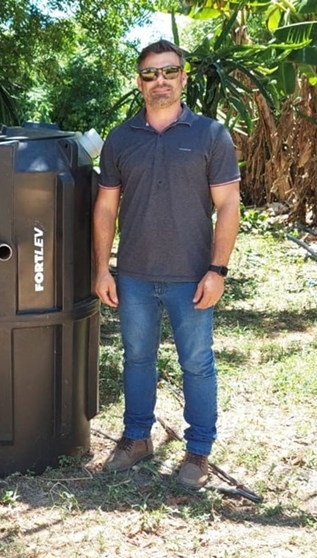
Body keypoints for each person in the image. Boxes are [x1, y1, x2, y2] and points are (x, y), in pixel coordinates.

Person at [93, 40, 241, 489]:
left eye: (169, 71)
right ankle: (137, 438)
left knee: (196, 364)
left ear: (183, 77)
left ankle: (198, 452)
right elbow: (105, 208)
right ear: (139, 83)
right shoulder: (120, 138)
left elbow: (229, 204)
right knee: (137, 359)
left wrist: (217, 271)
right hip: (134, 274)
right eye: (150, 74)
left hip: (192, 276)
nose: (160, 81)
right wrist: (103, 269)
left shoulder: (210, 135)